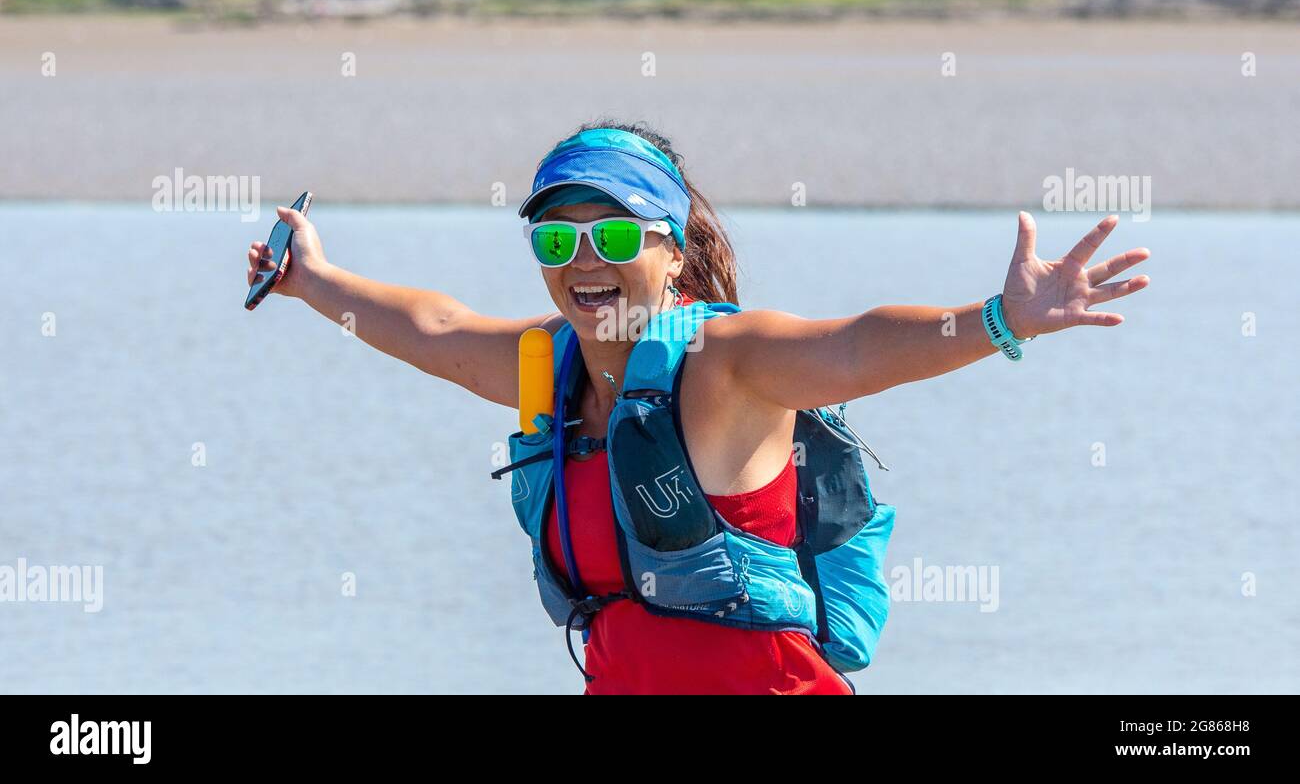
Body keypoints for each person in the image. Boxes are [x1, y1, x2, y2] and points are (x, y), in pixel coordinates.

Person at [246, 121, 1150, 694]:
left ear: (672, 251)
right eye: (556, 237)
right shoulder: (541, 369)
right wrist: (311, 278)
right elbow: (433, 325)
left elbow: (857, 346)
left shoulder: (723, 365)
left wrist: (1000, 320)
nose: (581, 260)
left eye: (612, 234)